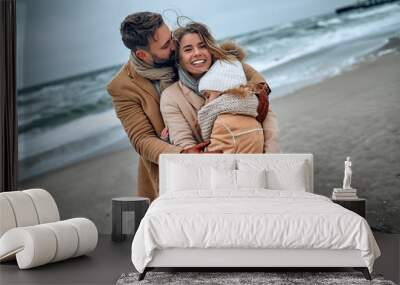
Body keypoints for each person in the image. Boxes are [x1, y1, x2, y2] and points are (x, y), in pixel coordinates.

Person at [107, 12, 210, 202]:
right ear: (142, 54)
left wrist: (259, 85)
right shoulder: (122, 86)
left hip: (213, 141)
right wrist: (183, 154)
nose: (173, 46)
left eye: (170, 37)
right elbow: (142, 139)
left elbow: (223, 57)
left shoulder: (179, 45)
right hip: (174, 168)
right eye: (165, 46)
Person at [160, 22, 280, 152]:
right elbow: (184, 142)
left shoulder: (232, 72)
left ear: (211, 50)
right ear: (179, 58)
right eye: (188, 49)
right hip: (212, 164)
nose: (197, 53)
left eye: (202, 46)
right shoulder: (170, 97)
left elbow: (269, 125)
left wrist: (270, 159)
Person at [197, 59, 264, 153]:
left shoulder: (222, 124)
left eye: (208, 96)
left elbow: (213, 161)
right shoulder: (253, 118)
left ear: (223, 92)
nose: (205, 104)